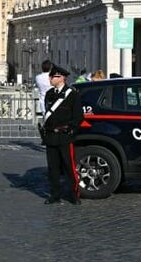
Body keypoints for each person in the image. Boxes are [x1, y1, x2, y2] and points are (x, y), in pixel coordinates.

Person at [41, 65, 84, 205]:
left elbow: (78, 116)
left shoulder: (72, 94)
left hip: (65, 136)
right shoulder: (49, 94)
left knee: (69, 167)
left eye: (53, 76)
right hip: (51, 136)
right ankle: (55, 194)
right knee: (53, 168)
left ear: (61, 78)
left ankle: (74, 194)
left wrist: (71, 130)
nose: (50, 78)